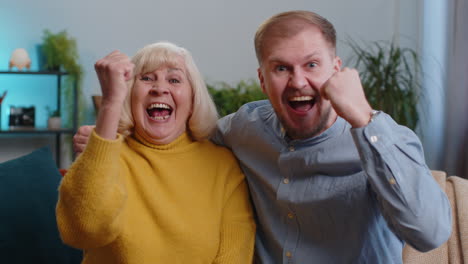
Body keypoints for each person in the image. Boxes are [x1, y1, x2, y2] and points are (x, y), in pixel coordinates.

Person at [73, 11, 452, 264]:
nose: (298, 81)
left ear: (337, 70)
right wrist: (105, 141)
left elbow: (429, 233)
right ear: (262, 79)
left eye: (312, 65)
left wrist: (365, 121)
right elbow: (179, 142)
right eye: (281, 68)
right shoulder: (243, 128)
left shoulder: (385, 138)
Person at [57, 42, 255, 263]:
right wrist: (111, 103)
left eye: (174, 80)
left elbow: (234, 255)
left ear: (192, 100)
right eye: (147, 78)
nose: (159, 88)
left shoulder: (223, 165)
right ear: (129, 96)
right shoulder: (103, 156)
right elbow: (84, 231)